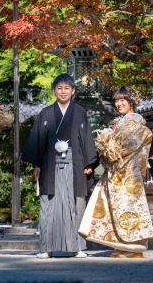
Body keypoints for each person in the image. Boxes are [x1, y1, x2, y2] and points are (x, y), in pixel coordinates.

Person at [23, 73, 98, 259]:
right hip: (50, 164)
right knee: (49, 205)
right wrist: (37, 164)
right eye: (59, 88)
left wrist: (89, 162)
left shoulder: (79, 112)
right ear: (54, 91)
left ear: (73, 90)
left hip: (75, 163)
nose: (63, 92)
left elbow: (86, 138)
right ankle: (46, 248)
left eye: (67, 88)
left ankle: (77, 247)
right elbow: (38, 140)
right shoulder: (46, 113)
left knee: (76, 204)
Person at [79, 86, 153, 258]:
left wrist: (108, 146)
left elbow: (125, 147)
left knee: (127, 210)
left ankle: (132, 247)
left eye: (122, 100)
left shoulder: (133, 123)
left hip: (126, 174)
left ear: (131, 101)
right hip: (121, 173)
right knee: (121, 209)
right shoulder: (123, 122)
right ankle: (124, 246)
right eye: (116, 101)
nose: (119, 104)